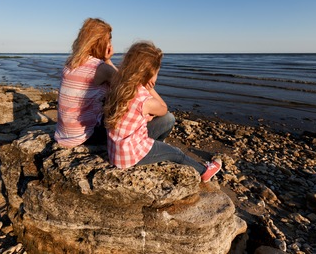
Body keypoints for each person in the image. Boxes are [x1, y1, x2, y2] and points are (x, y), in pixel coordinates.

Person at [104, 41, 221, 182]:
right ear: (150, 73)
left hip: (116, 150)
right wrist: (150, 89)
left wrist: (108, 61)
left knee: (167, 121)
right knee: (176, 153)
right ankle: (204, 172)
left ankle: (158, 150)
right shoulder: (144, 99)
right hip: (130, 155)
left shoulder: (119, 85)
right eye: (156, 73)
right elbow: (163, 109)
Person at [55, 18, 117, 148]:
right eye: (109, 40)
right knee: (165, 120)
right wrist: (108, 61)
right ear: (100, 42)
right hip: (86, 136)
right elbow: (128, 87)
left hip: (64, 134)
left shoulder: (70, 64)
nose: (110, 44)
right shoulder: (100, 68)